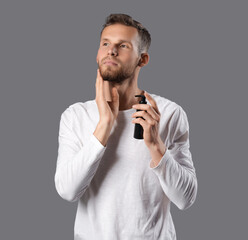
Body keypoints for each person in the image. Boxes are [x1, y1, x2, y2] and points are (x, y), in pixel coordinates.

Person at [54, 13, 197, 240]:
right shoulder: (75, 116)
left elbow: (186, 198)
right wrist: (105, 124)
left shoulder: (168, 114)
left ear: (142, 59)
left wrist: (156, 145)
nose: (111, 51)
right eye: (105, 43)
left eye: (123, 45)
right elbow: (68, 191)